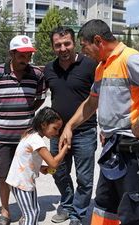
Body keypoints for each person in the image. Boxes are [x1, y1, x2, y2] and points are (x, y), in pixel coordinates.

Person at [59, 19, 139, 225]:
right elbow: (91, 103)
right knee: (105, 205)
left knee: (131, 209)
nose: (83, 52)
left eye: (84, 46)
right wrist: (69, 126)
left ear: (98, 40)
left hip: (130, 148)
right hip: (111, 148)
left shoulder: (129, 59)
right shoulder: (102, 66)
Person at [0, 35, 47, 225]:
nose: (27, 60)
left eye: (29, 55)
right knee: (4, 176)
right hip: (1, 138)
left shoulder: (37, 75)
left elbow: (41, 97)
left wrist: (29, 109)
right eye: (23, 55)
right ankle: (6, 212)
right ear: (12, 54)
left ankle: (28, 211)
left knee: (27, 176)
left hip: (26, 140)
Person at [44, 26, 98, 225]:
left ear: (74, 44)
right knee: (57, 170)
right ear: (52, 47)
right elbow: (39, 95)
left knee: (84, 178)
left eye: (67, 43)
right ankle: (66, 205)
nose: (63, 48)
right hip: (57, 133)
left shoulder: (90, 65)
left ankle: (78, 213)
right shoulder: (49, 68)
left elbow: (100, 97)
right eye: (58, 45)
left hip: (85, 131)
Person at [6, 107, 69, 225]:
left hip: (25, 181)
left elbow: (26, 158)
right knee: (31, 215)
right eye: (55, 128)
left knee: (33, 211)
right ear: (44, 124)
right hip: (21, 183)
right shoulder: (36, 140)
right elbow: (54, 163)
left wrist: (41, 168)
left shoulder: (32, 134)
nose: (57, 133)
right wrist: (64, 148)